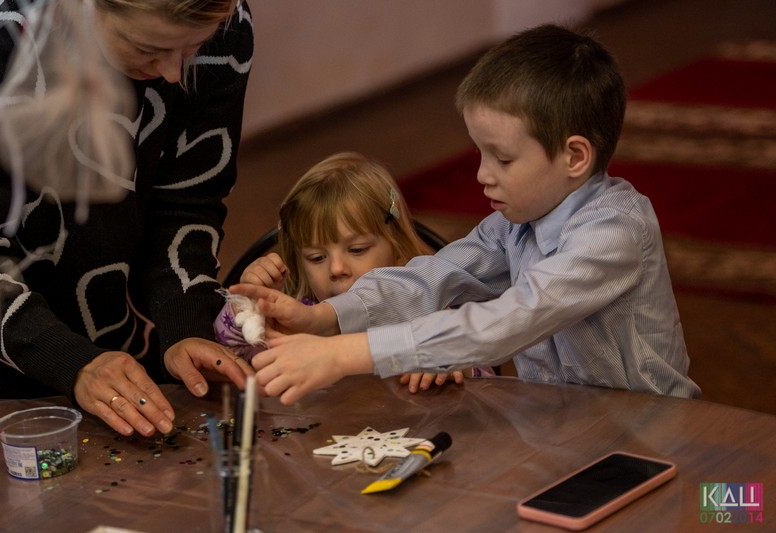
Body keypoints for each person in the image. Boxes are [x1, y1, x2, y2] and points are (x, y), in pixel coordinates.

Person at [232, 24, 702, 405]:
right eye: (480, 153)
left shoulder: (614, 232)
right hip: (564, 430)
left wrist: (342, 354)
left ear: (574, 157)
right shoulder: (514, 225)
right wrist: (325, 317)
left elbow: (512, 320)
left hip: (653, 437)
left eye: (503, 159)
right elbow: (430, 277)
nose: (481, 175)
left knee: (726, 498)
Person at [0, 0, 254, 437]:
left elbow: (188, 200)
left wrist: (184, 324)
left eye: (192, 48)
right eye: (147, 49)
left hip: (121, 337)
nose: (173, 74)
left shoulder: (223, 19)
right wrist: (69, 360)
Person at [214, 151, 488, 392]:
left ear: (397, 246)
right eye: (317, 257)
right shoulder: (296, 321)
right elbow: (227, 357)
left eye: (357, 250)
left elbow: (487, 382)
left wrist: (453, 367)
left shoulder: (428, 317)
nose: (336, 269)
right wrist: (249, 308)